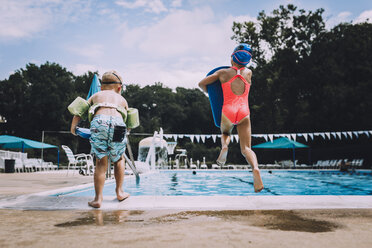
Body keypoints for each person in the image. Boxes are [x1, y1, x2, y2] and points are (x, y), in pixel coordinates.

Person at [198, 44, 264, 192]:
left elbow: (202, 83)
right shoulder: (249, 73)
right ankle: (255, 168)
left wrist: (211, 93)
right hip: (244, 112)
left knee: (226, 133)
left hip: (228, 110)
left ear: (232, 57)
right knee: (246, 148)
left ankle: (225, 146)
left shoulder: (222, 73)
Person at [70, 70, 130, 208]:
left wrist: (73, 128)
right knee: (119, 159)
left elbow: (78, 112)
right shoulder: (122, 100)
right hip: (118, 124)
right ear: (119, 88)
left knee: (100, 162)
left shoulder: (96, 95)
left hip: (99, 123)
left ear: (101, 86)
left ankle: (98, 199)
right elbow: (129, 120)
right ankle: (120, 192)